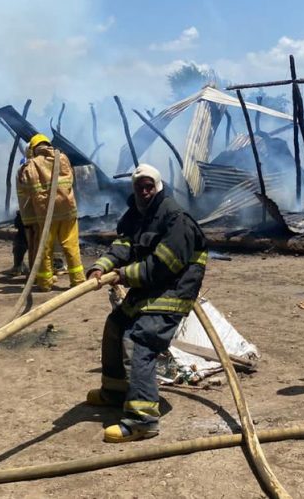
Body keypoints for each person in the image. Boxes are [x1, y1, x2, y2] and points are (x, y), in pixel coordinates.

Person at [85, 164, 208, 442]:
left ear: (159, 186)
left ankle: (143, 421)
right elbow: (124, 246)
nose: (144, 191)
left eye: (149, 185)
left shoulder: (175, 218)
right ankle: (115, 392)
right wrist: (101, 266)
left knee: (141, 338)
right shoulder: (137, 214)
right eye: (140, 186)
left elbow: (163, 265)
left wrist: (123, 275)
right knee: (116, 325)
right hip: (150, 290)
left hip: (173, 292)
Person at [16, 133, 85, 291]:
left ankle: (45, 284)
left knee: (45, 248)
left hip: (46, 214)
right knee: (71, 245)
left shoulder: (32, 165)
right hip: (68, 210)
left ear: (34, 149)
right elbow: (70, 179)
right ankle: (78, 281)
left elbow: (26, 188)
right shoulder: (62, 158)